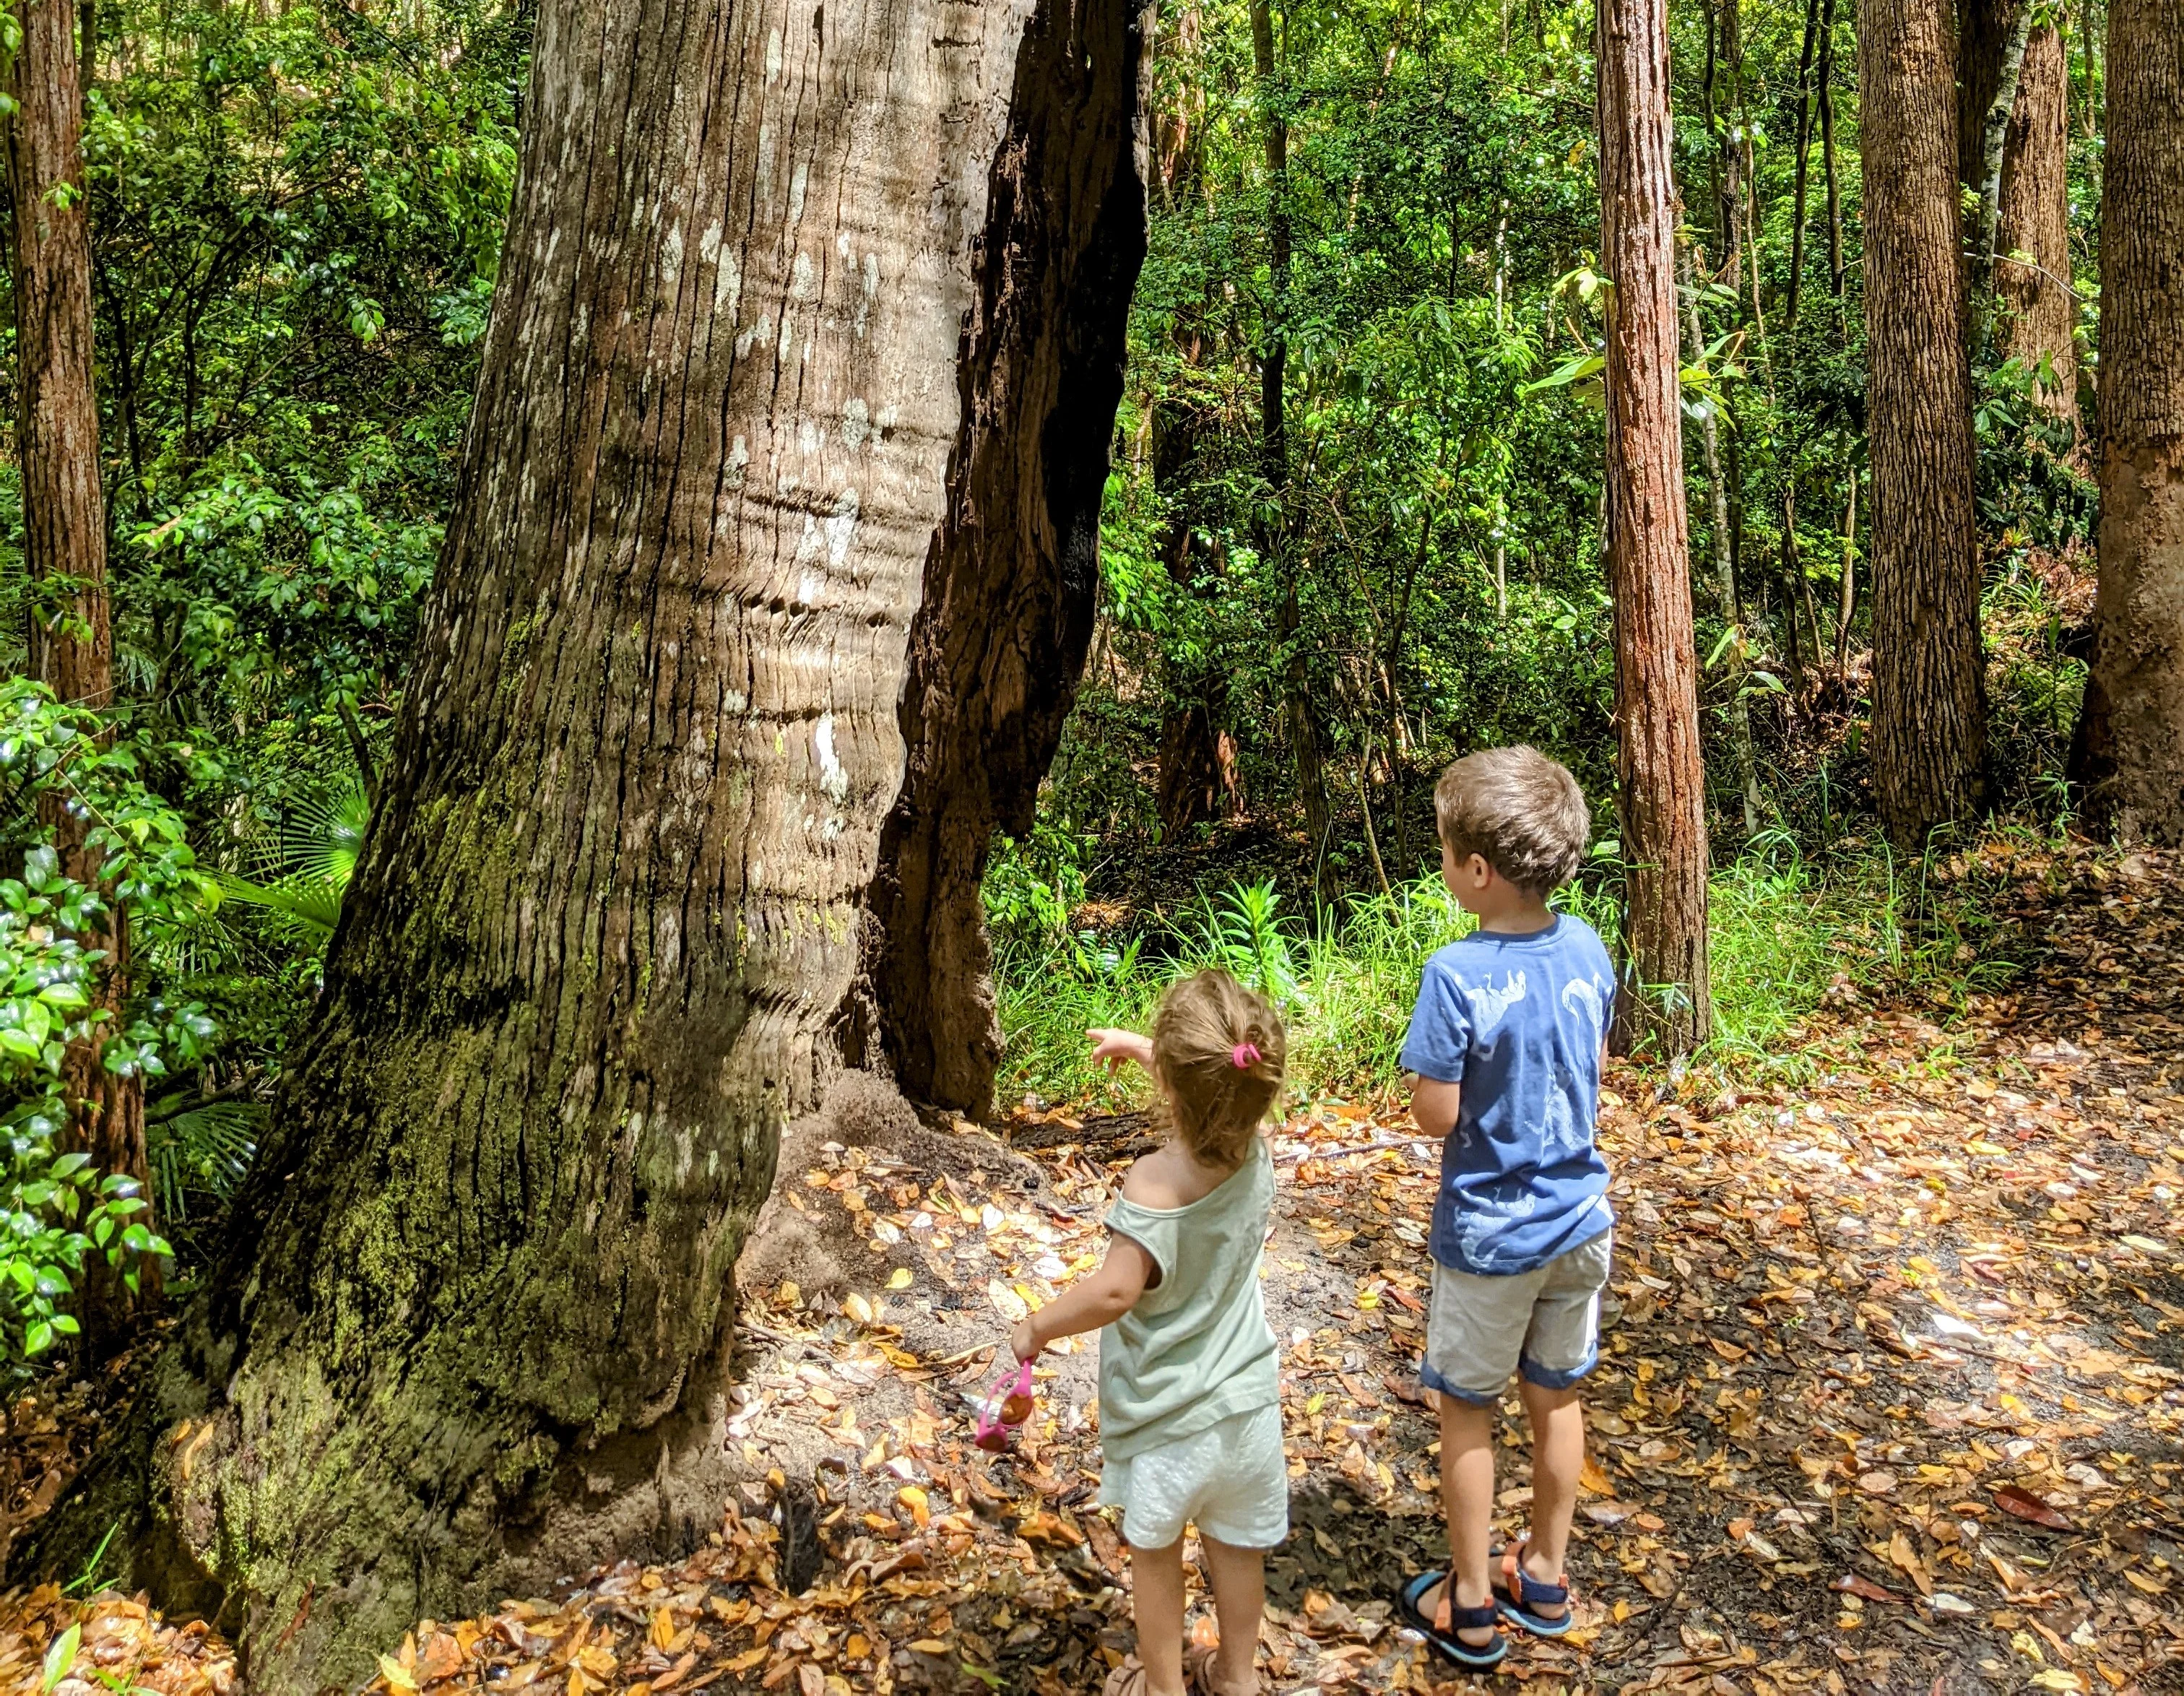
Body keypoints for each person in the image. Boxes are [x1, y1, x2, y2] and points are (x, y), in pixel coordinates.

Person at [1392, 746, 1617, 1671]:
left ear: (1478, 871)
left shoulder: (1457, 971)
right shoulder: (1591, 945)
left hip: (1491, 1237)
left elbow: (1437, 1112)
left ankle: (1473, 1600)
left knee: (1467, 1410)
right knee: (1556, 1396)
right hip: (1581, 1223)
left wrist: (1422, 1078)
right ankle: (1548, 1573)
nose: (1446, 867)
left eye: (1447, 854)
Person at [1008, 969, 1288, 1696]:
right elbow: (1222, 1080)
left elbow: (1115, 1288)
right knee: (1236, 1549)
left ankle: (1162, 1687)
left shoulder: (1153, 1187)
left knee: (1156, 1557)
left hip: (1171, 1421)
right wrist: (1147, 1050)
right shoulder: (1256, 1151)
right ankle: (1235, 1676)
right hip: (1248, 1409)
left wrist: (1036, 1326)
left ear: (1172, 1084)